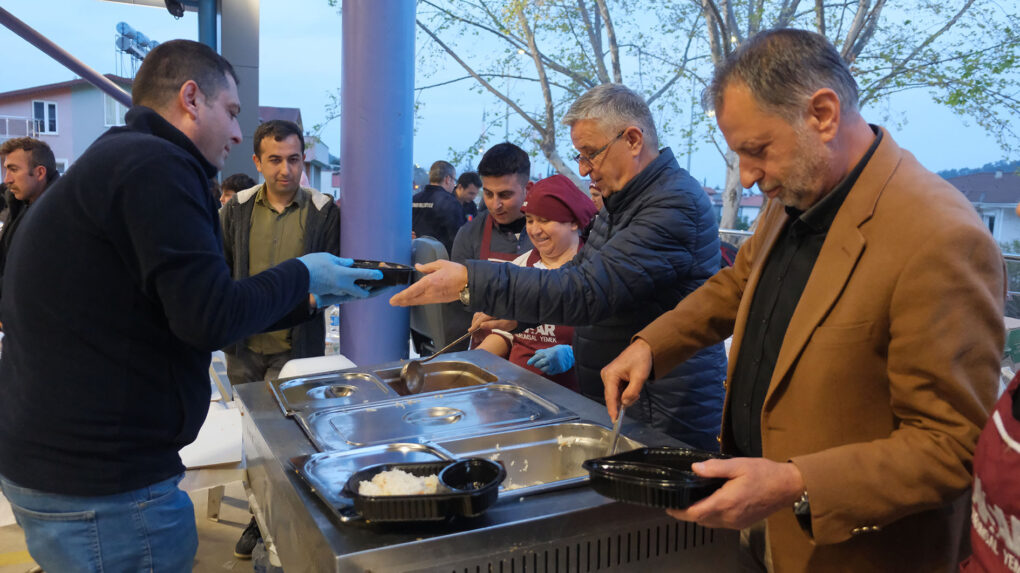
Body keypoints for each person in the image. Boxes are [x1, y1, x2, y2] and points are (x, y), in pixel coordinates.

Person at [599, 29, 1003, 572]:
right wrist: (653, 344)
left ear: (823, 114)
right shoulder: (799, 189)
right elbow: (739, 284)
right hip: (762, 527)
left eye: (757, 150)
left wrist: (795, 482)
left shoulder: (941, 237)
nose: (746, 176)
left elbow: (951, 446)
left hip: (850, 551)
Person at [0, 39, 382, 572]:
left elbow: (185, 306)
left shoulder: (117, 158)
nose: (233, 131)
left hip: (59, 468)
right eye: (230, 112)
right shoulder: (157, 164)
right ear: (190, 98)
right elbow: (209, 315)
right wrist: (302, 272)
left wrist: (308, 297)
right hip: (103, 488)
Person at [391, 84, 727, 450]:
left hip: (661, 406)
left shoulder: (673, 204)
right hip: (624, 397)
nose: (584, 168)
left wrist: (473, 280)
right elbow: (572, 277)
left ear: (632, 139)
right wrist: (515, 318)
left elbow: (587, 290)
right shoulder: (622, 204)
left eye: (590, 154)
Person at [220, 119, 340, 387]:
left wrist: (311, 302)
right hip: (243, 347)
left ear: (303, 159)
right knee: (249, 424)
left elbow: (332, 274)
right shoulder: (237, 209)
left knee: (287, 425)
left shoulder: (323, 212)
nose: (286, 169)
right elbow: (221, 264)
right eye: (275, 160)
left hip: (296, 351)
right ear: (257, 162)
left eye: (293, 159)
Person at [474, 174, 596, 391]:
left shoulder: (595, 268)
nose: (535, 230)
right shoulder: (522, 264)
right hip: (519, 391)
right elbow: (504, 335)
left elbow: (613, 340)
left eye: (545, 220)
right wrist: (472, 366)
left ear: (574, 222)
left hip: (579, 396)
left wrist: (574, 353)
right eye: (530, 220)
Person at [0, 137, 59, 311]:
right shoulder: (16, 203)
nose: (7, 179)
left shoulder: (58, 217)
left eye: (13, 170)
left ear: (40, 173)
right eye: (6, 170)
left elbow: (33, 280)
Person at [450, 143, 533, 265]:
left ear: (528, 189)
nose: (495, 205)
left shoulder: (548, 234)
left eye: (505, 195)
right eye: (488, 194)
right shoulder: (469, 235)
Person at [412, 160, 463, 254]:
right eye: (454, 180)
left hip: (413, 257)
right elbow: (458, 239)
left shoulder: (414, 199)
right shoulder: (451, 203)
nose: (453, 185)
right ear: (447, 179)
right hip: (440, 260)